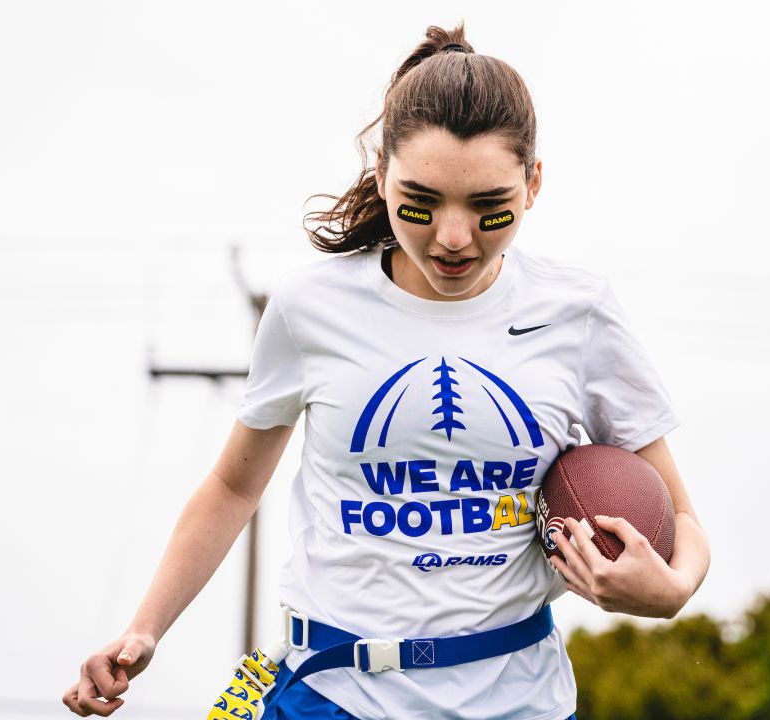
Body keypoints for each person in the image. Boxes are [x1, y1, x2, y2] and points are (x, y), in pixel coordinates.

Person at [62, 22, 711, 720]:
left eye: (490, 207)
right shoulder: (311, 307)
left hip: (521, 702)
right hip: (334, 693)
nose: (453, 237)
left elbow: (679, 513)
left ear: (533, 185)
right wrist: (144, 627)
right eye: (421, 203)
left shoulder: (577, 313)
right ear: (381, 176)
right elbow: (231, 486)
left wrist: (673, 589)